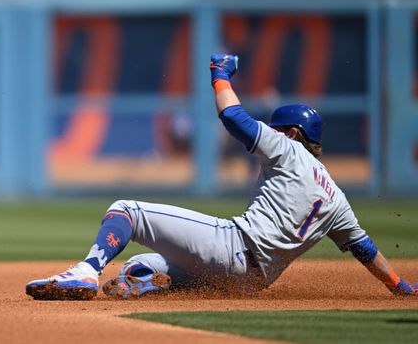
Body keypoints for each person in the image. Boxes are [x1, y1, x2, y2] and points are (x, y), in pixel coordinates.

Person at [26, 54, 418, 300]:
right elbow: (365, 250)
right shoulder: (337, 198)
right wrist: (399, 286)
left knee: (126, 210)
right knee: (143, 263)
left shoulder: (289, 149)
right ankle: (140, 282)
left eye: (276, 128)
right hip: (250, 284)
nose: (271, 131)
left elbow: (233, 118)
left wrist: (220, 76)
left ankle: (86, 272)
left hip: (231, 248)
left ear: (293, 134)